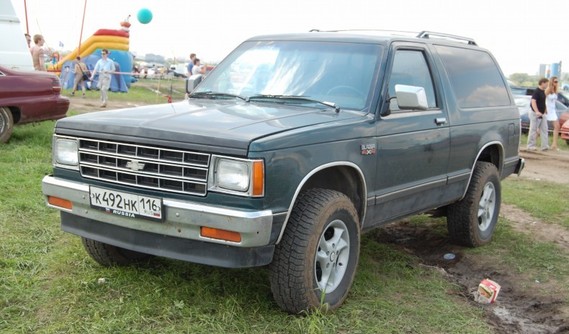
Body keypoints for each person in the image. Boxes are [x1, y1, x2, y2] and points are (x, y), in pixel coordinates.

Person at [527, 78, 549, 151]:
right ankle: (530, 146)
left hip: (542, 114)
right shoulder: (536, 91)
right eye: (546, 83)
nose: (547, 85)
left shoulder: (543, 92)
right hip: (535, 113)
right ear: (542, 83)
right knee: (533, 129)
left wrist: (545, 110)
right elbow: (533, 101)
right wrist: (536, 111)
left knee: (544, 129)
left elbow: (543, 102)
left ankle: (544, 146)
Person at [545, 76, 560, 151]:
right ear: (552, 82)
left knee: (557, 126)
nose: (556, 83)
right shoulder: (548, 89)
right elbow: (543, 98)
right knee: (542, 127)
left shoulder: (555, 90)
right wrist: (544, 108)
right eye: (555, 81)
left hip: (553, 110)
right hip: (547, 110)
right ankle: (532, 142)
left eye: (557, 82)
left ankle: (554, 144)